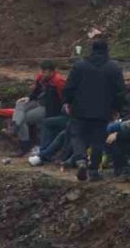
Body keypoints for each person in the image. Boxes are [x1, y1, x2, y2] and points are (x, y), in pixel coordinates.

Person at [64, 38, 127, 181]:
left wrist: (68, 102)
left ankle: (81, 160)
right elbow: (120, 92)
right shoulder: (113, 67)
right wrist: (116, 108)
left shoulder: (80, 66)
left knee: (77, 135)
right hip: (103, 110)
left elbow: (69, 87)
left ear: (92, 49)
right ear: (106, 50)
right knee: (98, 141)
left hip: (80, 108)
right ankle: (93, 172)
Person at [10, 60, 66, 156]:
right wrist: (29, 98)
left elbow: (64, 97)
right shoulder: (40, 78)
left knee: (23, 119)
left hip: (48, 107)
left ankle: (24, 146)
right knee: (20, 104)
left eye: (45, 72)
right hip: (37, 102)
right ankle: (15, 125)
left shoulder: (58, 81)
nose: (42, 74)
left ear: (52, 72)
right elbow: (36, 91)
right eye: (42, 71)